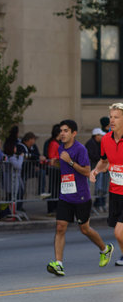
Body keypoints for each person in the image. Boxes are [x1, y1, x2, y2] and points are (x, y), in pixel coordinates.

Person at [47, 120, 113, 276]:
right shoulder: (61, 148)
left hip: (81, 196)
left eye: (66, 131)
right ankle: (58, 264)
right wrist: (57, 163)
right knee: (60, 227)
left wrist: (69, 161)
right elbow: (65, 167)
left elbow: (86, 171)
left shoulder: (80, 149)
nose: (62, 133)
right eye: (61, 130)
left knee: (85, 229)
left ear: (74, 133)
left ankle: (105, 249)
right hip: (65, 195)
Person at [91, 103, 123, 267]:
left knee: (119, 232)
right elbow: (104, 161)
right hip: (115, 191)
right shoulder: (105, 139)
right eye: (111, 116)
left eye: (116, 117)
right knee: (117, 231)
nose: (112, 120)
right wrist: (96, 171)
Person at [86, 127, 107, 212]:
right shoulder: (90, 144)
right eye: (101, 135)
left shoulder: (98, 143)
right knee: (89, 188)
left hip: (97, 168)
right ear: (96, 136)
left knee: (99, 187)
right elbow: (92, 155)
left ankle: (97, 203)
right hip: (91, 169)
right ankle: (89, 205)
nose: (102, 137)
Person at [44, 125, 62, 215]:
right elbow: (51, 156)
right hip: (54, 168)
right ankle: (52, 208)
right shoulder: (53, 143)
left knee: (57, 189)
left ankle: (56, 207)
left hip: (58, 168)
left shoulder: (58, 143)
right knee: (53, 189)